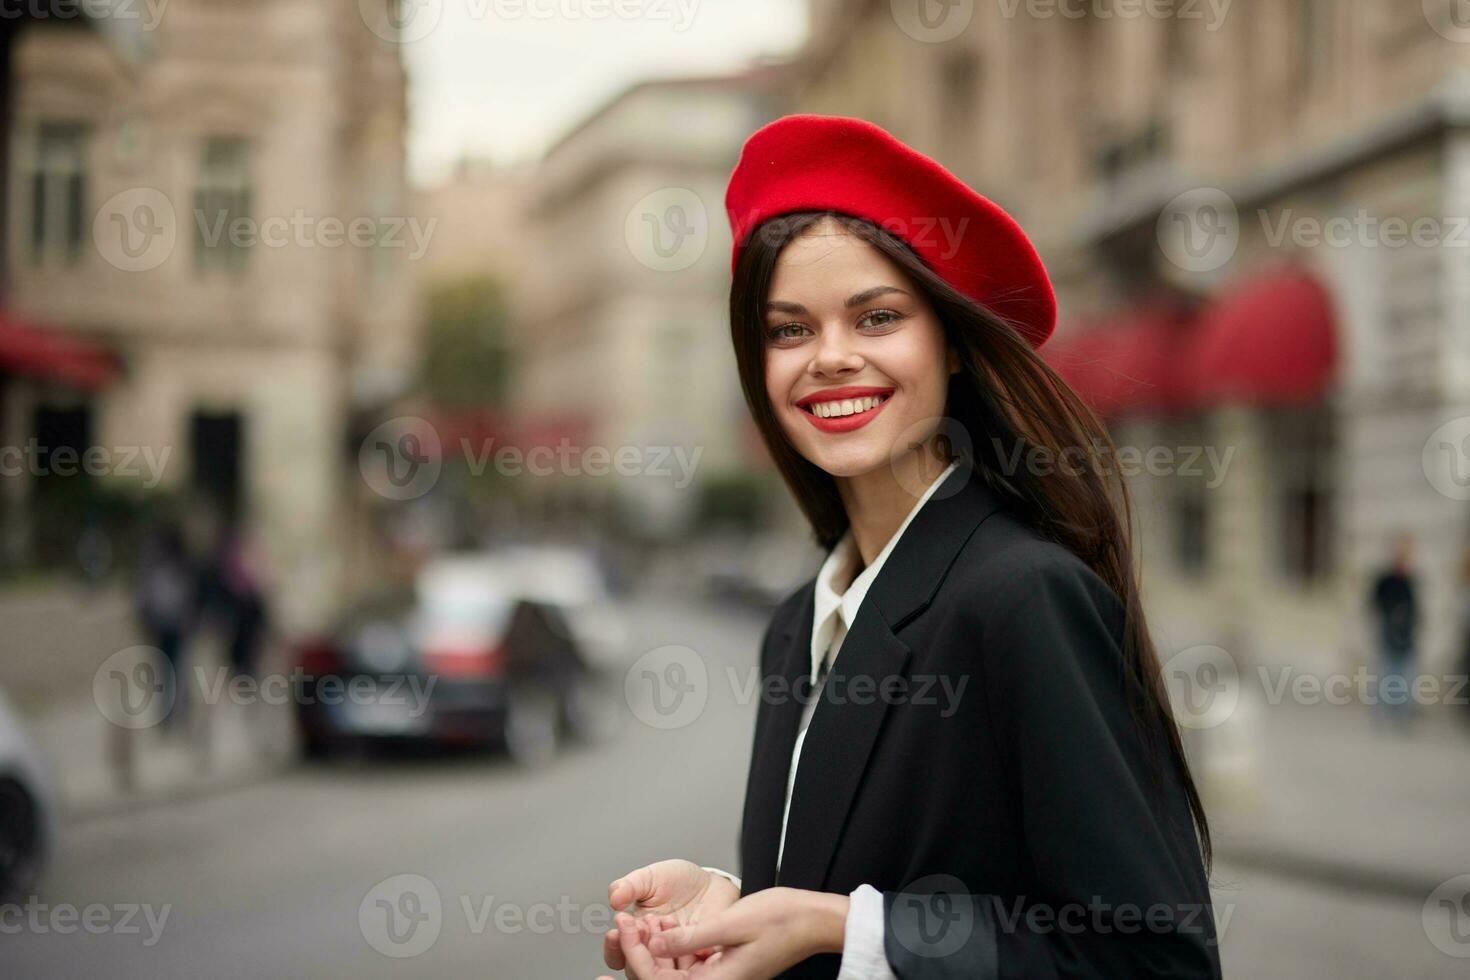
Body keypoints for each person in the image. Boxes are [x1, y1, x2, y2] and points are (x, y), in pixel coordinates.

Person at [598, 115, 1219, 980]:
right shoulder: (796, 623)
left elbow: (1157, 963)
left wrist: (836, 927)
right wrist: (729, 912)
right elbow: (847, 891)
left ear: (953, 344)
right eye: (789, 330)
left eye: (877, 317)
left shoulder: (1023, 596)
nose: (832, 358)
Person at [1368, 534, 1419, 730]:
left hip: (1407, 635)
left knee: (1405, 676)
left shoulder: (1410, 579)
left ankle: (1401, 717)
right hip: (1388, 633)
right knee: (1386, 673)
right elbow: (1375, 603)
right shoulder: (1386, 579)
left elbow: (1415, 608)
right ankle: (1381, 714)